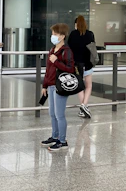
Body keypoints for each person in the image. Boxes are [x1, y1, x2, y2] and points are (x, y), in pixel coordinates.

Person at [40, 23, 77, 152]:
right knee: (52, 114)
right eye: (53, 34)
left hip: (60, 86)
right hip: (50, 85)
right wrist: (44, 85)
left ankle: (62, 140)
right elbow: (48, 69)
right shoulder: (52, 49)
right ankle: (55, 136)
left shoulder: (66, 51)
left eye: (55, 34)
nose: (53, 36)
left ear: (62, 36)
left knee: (59, 114)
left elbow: (70, 69)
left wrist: (56, 61)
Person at [67, 16, 97, 119]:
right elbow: (93, 49)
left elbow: (69, 48)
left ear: (76, 24)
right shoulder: (90, 34)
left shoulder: (72, 34)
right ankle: (84, 106)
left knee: (80, 86)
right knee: (88, 86)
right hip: (87, 64)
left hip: (76, 65)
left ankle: (83, 107)